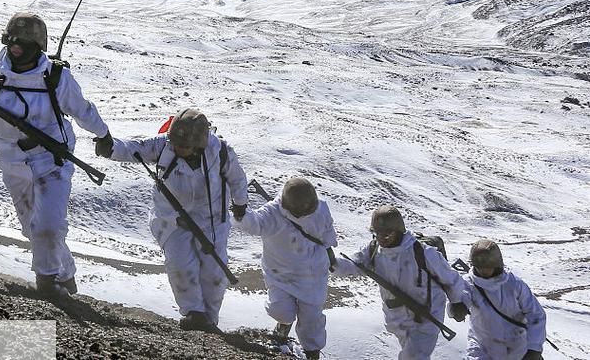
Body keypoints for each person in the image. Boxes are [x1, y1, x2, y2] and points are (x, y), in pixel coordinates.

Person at [0, 12, 110, 298]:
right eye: (11, 40)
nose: (15, 47)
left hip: (51, 160)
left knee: (49, 224)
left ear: (38, 47)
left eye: (23, 42)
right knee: (32, 226)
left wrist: (103, 135)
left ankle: (46, 283)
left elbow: (82, 110)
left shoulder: (56, 78)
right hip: (12, 161)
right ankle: (65, 277)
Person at [99, 107, 248, 329]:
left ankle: (210, 318)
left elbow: (237, 179)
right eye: (176, 144)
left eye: (184, 147)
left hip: (212, 221)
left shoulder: (220, 151)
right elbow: (135, 148)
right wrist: (110, 148)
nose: (178, 149)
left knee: (214, 274)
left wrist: (240, 203)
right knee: (180, 265)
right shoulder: (163, 146)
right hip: (172, 220)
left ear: (199, 143)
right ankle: (193, 313)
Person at [335, 205, 468, 360]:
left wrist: (458, 302)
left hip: (426, 319)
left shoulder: (423, 253)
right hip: (397, 320)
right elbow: (352, 264)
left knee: (412, 357)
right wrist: (331, 262)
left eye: (387, 234)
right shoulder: (373, 250)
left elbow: (452, 279)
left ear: (398, 231)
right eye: (377, 233)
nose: (382, 238)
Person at [237, 177, 336, 360]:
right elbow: (255, 223)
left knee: (311, 319)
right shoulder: (273, 212)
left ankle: (312, 352)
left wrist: (330, 253)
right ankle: (282, 326)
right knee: (281, 310)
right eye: (301, 209)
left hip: (312, 276)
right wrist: (240, 214)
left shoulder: (321, 208)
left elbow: (327, 233)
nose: (305, 212)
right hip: (280, 275)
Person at [458, 239, 547, 360]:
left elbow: (536, 315)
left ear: (497, 264)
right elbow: (461, 297)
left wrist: (534, 349)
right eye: (479, 267)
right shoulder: (467, 284)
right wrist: (457, 307)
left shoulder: (514, 284)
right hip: (482, 346)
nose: (483, 271)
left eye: (488, 267)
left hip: (517, 348)